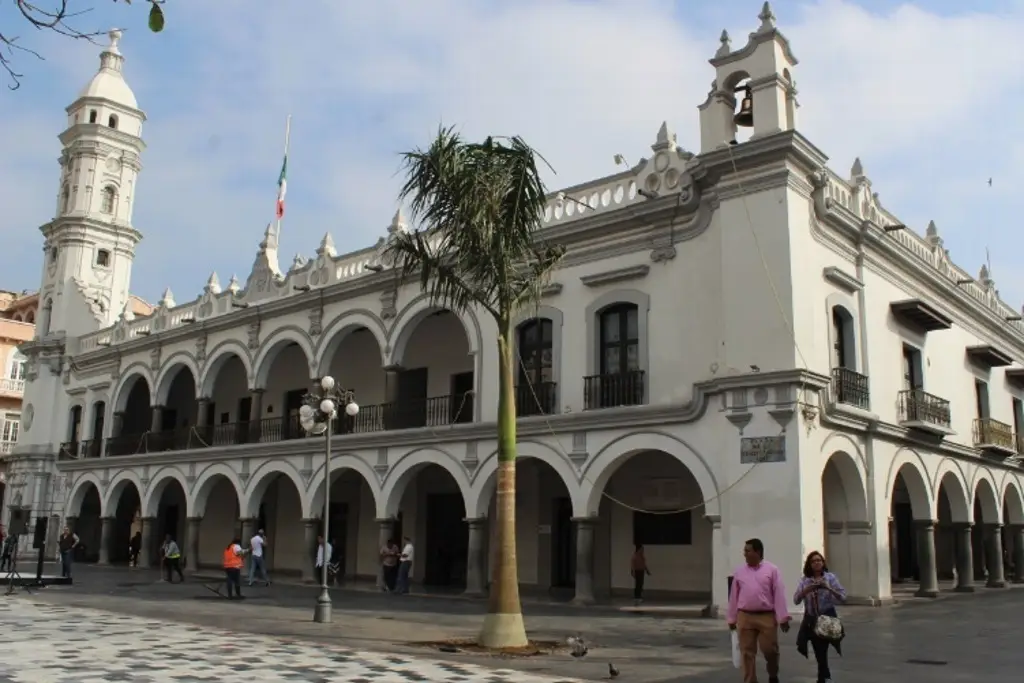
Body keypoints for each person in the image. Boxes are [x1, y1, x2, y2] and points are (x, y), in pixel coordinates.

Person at [727, 538, 791, 683]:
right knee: (747, 653)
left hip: (766, 617)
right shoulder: (739, 571)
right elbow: (734, 596)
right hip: (745, 616)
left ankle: (773, 674)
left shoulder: (772, 570)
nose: (744, 554)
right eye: (745, 551)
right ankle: (750, 680)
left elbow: (779, 594)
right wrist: (732, 618)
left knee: (770, 650)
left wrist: (783, 618)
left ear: (758, 552)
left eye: (747, 550)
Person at [794, 551, 846, 683]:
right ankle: (824, 677)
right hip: (812, 620)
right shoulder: (805, 581)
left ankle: (824, 677)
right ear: (809, 565)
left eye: (819, 560)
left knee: (822, 649)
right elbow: (796, 599)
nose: (817, 563)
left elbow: (842, 597)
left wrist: (828, 588)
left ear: (823, 563)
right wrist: (808, 589)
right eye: (813, 561)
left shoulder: (830, 578)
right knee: (819, 649)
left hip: (827, 619)